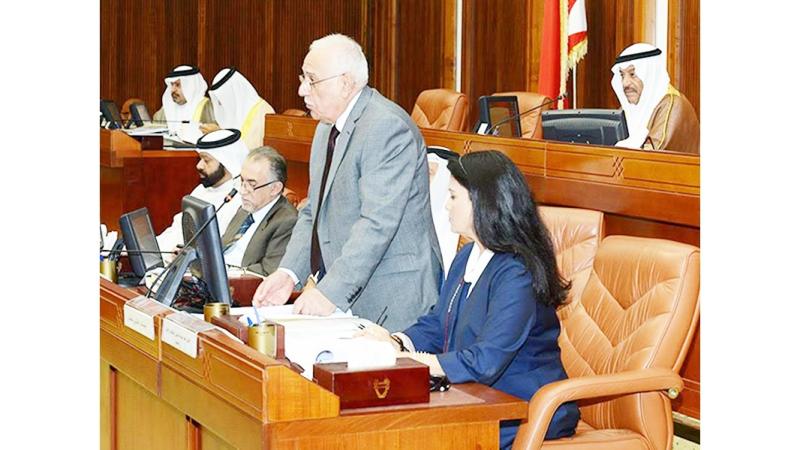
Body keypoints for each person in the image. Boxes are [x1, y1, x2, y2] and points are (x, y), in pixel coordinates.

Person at [359, 150, 580, 449]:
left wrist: (409, 361)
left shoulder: (517, 272)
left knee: (405, 436)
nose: (446, 205)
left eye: (453, 197)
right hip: (475, 397)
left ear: (482, 203)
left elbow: (486, 361)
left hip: (524, 408)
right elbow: (438, 324)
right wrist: (397, 341)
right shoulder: (467, 256)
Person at [252, 33, 441, 331]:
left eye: (312, 80)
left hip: (391, 297)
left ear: (345, 83)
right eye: (303, 78)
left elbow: (377, 222)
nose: (302, 90)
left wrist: (330, 290)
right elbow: (313, 211)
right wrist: (288, 272)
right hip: (349, 291)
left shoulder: (386, 127)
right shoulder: (325, 129)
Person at [156, 129, 247, 257]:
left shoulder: (239, 198)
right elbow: (176, 229)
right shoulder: (200, 190)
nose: (199, 166)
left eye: (206, 160)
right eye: (200, 159)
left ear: (227, 162)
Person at [611, 43, 700, 154]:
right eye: (622, 75)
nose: (625, 83)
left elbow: (651, 155)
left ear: (650, 75)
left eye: (632, 74)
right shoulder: (630, 107)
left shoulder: (672, 105)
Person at [222, 146, 297, 276]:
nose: (242, 191)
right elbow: (222, 247)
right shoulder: (246, 209)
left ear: (275, 188)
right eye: (242, 181)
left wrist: (225, 272)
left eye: (252, 185)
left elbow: (267, 271)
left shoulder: (287, 221)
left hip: (239, 282)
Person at [204, 67, 275, 150]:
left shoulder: (262, 112)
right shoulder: (232, 110)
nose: (220, 104)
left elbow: (251, 150)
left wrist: (220, 134)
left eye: (222, 100)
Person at [152, 65, 216, 142]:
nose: (173, 90)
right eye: (172, 84)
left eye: (178, 85)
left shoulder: (206, 106)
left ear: (190, 86)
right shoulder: (167, 107)